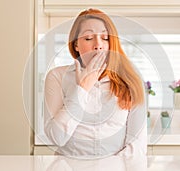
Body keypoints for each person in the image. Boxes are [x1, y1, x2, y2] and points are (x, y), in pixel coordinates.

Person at [44, 8, 147, 158]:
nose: (98, 45)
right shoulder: (57, 77)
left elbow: (136, 146)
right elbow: (57, 138)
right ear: (76, 45)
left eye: (105, 38)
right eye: (88, 38)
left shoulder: (131, 79)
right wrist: (82, 88)